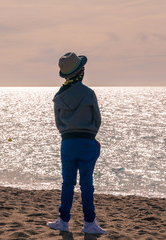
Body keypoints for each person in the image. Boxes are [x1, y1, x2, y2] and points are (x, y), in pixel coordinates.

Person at [47, 52, 107, 234]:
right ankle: (89, 223)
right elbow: (97, 119)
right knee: (86, 183)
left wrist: (68, 134)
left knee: (68, 183)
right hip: (87, 141)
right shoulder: (89, 93)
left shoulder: (59, 97)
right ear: (80, 72)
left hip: (68, 142)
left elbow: (58, 124)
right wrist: (90, 137)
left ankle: (63, 220)